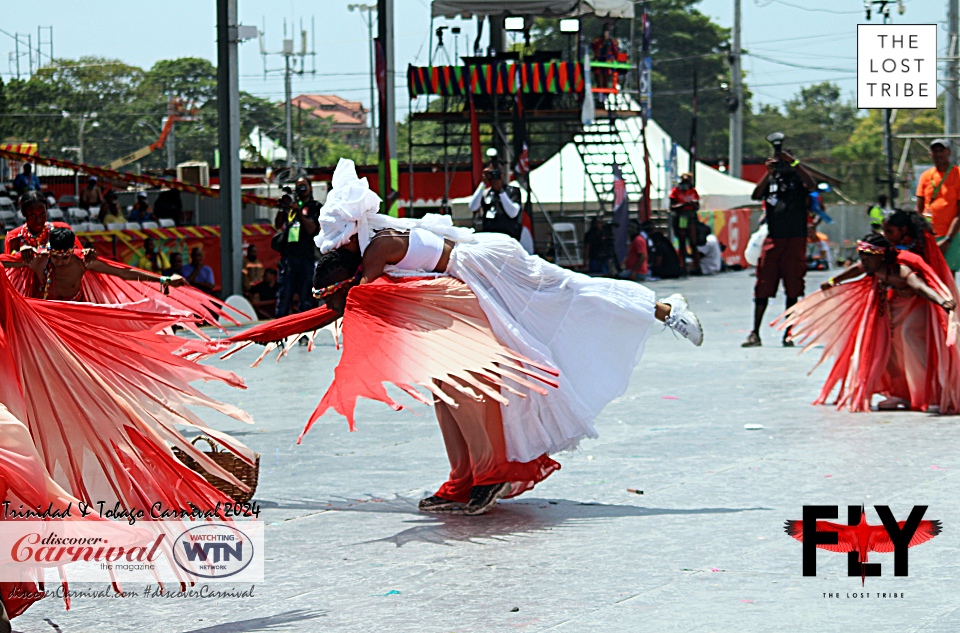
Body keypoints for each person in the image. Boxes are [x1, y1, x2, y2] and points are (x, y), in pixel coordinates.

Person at [305, 160, 704, 514]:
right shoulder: (371, 244)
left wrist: (309, 317)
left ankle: (663, 309)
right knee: (446, 387)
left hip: (487, 267)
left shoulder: (377, 247)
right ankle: (465, 477)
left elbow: (360, 301)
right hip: (462, 288)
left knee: (569, 292)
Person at [778, 233, 960, 413]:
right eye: (862, 259)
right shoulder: (872, 267)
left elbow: (921, 286)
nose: (864, 263)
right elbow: (856, 270)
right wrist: (834, 281)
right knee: (889, 351)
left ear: (881, 257)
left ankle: (929, 394)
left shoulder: (901, 269)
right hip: (892, 309)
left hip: (915, 307)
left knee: (910, 340)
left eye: (868, 259)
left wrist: (942, 301)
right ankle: (900, 393)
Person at [742, 146, 816, 348]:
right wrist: (768, 173)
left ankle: (789, 333)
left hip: (795, 239)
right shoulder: (772, 180)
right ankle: (755, 333)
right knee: (763, 285)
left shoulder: (799, 180)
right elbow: (756, 195)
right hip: (774, 238)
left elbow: (812, 185)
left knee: (793, 287)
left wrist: (795, 164)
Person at [6, 227, 186, 301]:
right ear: (50, 251)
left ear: (72, 252)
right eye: (56, 258)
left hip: (76, 315)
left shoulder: (83, 262)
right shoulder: (38, 260)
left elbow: (124, 272)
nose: (60, 263)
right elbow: (6, 263)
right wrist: (23, 249)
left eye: (65, 258)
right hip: (45, 316)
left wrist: (164, 279)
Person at [273, 182, 320, 316]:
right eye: (298, 186)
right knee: (284, 297)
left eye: (304, 185)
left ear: (310, 188)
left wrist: (299, 212)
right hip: (288, 258)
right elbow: (277, 225)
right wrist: (283, 208)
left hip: (306, 257)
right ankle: (279, 331)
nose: (301, 189)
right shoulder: (290, 206)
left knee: (305, 298)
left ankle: (304, 333)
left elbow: (312, 229)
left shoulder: (314, 206)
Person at [916, 139, 960, 252]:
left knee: (949, 269)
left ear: (949, 152)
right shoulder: (925, 176)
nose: (938, 154)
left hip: (953, 236)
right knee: (929, 269)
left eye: (942, 150)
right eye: (935, 151)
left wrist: (948, 239)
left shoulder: (958, 174)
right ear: (930, 154)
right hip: (929, 235)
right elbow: (919, 209)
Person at [467, 164, 522, 241]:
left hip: (508, 237)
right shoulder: (486, 192)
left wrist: (501, 191)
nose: (494, 177)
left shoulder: (512, 191)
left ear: (503, 175)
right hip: (489, 238)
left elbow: (512, 213)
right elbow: (472, 207)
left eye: (497, 173)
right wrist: (483, 183)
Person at [669, 173, 701, 275]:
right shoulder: (675, 191)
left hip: (691, 217)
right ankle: (683, 266)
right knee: (682, 242)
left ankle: (697, 266)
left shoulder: (692, 191)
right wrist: (683, 205)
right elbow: (672, 206)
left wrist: (692, 204)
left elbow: (697, 205)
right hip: (681, 217)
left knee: (693, 242)